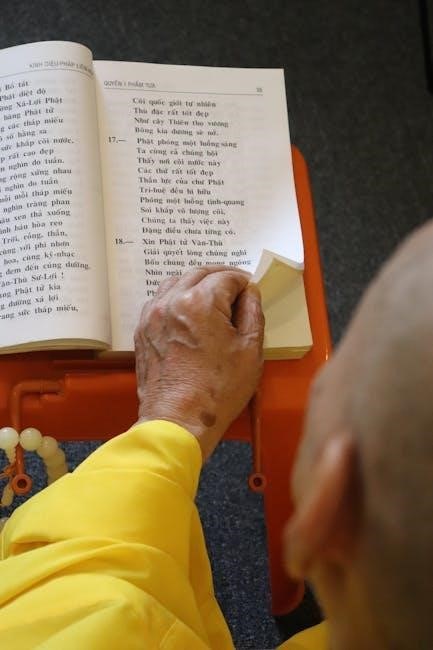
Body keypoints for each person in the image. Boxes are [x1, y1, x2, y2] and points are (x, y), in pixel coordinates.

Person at [0, 219, 432, 648]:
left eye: (332, 376)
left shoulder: (123, 625)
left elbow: (93, 610)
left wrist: (177, 415)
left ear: (326, 518)